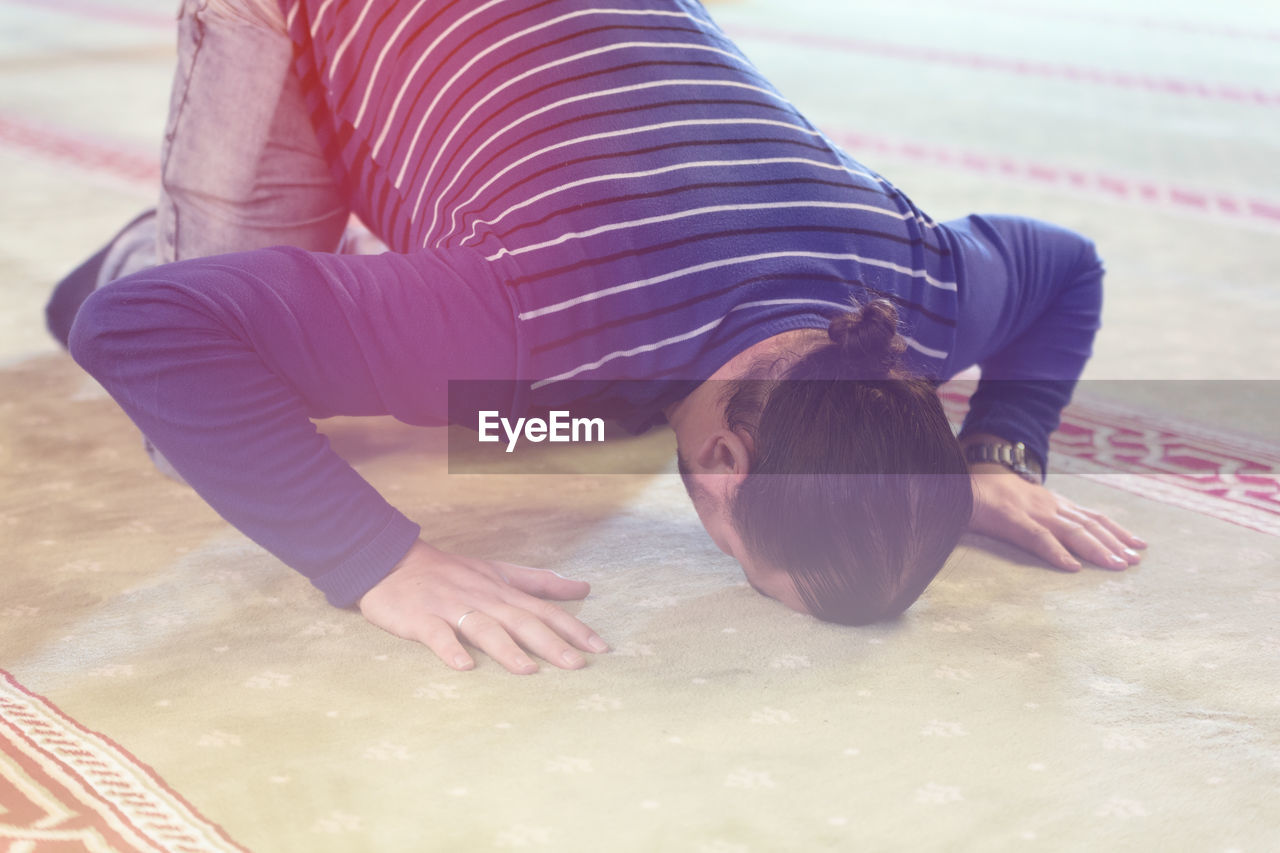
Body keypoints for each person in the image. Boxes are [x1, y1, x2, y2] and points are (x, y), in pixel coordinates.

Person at [50, 0, 1145, 675]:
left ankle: (324, 285)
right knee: (197, 413)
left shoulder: (925, 294)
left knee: (551, 424)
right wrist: (378, 562)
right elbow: (141, 334)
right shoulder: (522, 323)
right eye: (743, 561)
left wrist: (990, 455)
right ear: (726, 466)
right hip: (319, 17)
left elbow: (1068, 267)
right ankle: (156, 238)